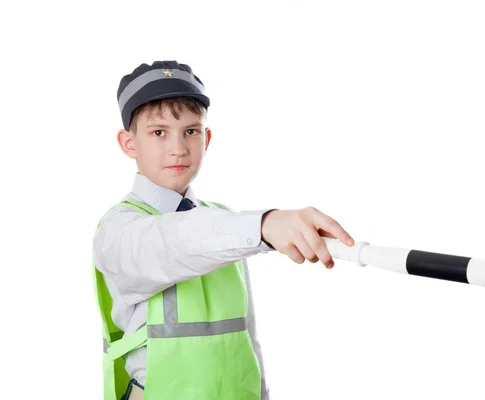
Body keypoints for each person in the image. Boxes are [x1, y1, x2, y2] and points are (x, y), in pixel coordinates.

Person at [92, 60, 355, 400]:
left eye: (191, 131)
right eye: (159, 132)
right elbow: (172, 240)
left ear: (207, 138)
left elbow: (245, 332)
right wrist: (263, 225)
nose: (178, 148)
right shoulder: (119, 228)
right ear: (128, 144)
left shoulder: (223, 219)